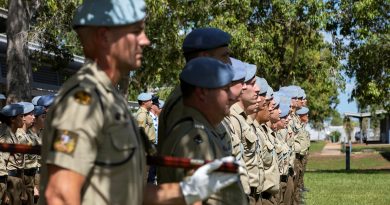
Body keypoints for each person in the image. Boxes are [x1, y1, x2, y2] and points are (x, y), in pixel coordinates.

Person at [40, 0, 239, 205]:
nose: (145, 41)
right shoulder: (83, 101)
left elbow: (125, 192)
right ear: (104, 36)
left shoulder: (110, 99)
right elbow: (60, 195)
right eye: (136, 32)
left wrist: (190, 189)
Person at [158, 57, 247, 205]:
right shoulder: (194, 137)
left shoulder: (205, 130)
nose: (232, 96)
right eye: (225, 90)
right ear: (202, 93)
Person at [158, 27, 232, 150]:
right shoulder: (185, 101)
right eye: (224, 56)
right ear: (205, 57)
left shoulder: (200, 96)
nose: (229, 62)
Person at [0, 104, 25, 204]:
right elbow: (1, 164)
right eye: (21, 116)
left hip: (14, 181)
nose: (23, 119)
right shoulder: (6, 136)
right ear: (12, 119)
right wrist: (4, 191)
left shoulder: (13, 133)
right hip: (8, 181)